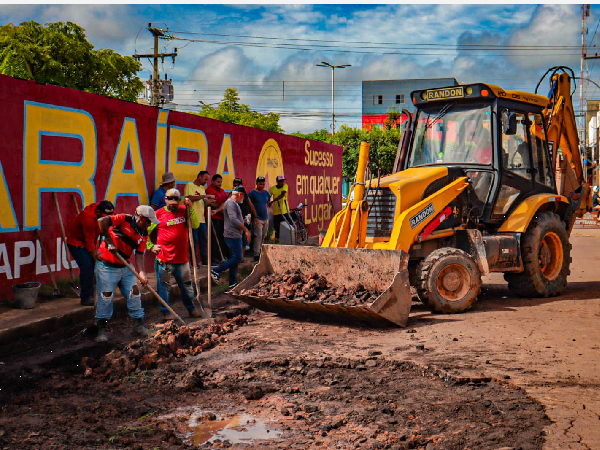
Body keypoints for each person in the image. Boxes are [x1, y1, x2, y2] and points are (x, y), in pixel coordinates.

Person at [94, 205, 158, 342]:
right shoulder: (123, 219)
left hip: (125, 266)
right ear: (140, 218)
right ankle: (101, 329)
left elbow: (140, 255)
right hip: (106, 266)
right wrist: (109, 241)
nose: (149, 225)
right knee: (106, 296)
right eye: (148, 221)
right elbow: (101, 222)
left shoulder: (143, 234)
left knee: (134, 292)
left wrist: (142, 273)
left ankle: (138, 325)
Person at [146, 188, 203, 320]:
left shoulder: (185, 211)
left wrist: (190, 208)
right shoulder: (158, 214)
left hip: (182, 259)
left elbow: (195, 225)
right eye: (170, 201)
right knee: (164, 287)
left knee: (187, 286)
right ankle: (166, 312)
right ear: (165, 199)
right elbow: (144, 232)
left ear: (179, 200)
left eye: (175, 202)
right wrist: (150, 246)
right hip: (164, 259)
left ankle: (191, 309)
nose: (173, 204)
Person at [66, 200, 115, 306]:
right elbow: (89, 242)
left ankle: (92, 292)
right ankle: (86, 297)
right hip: (77, 243)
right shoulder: (88, 219)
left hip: (89, 240)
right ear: (98, 212)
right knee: (88, 267)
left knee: (93, 266)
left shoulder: (102, 209)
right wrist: (94, 255)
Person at [211, 185, 251, 289]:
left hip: (235, 234)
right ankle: (216, 271)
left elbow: (235, 219)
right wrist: (245, 229)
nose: (244, 198)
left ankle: (232, 283)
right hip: (232, 235)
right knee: (237, 258)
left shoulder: (232, 203)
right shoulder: (231, 203)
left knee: (234, 259)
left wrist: (243, 222)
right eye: (243, 196)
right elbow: (233, 219)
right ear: (239, 194)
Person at [184, 170, 215, 266]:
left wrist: (210, 201)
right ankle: (194, 262)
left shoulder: (202, 188)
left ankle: (205, 261)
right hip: (193, 218)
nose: (206, 182)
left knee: (204, 240)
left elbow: (203, 201)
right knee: (193, 241)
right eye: (205, 179)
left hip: (202, 218)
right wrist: (205, 196)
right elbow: (189, 198)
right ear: (199, 177)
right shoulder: (190, 185)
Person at [205, 174, 229, 263]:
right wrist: (220, 208)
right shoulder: (209, 190)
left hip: (222, 218)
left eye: (221, 182)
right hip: (213, 217)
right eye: (218, 182)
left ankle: (221, 256)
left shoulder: (222, 191)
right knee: (214, 239)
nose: (220, 183)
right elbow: (212, 204)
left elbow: (226, 202)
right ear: (212, 181)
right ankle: (214, 257)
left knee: (221, 238)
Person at [248, 176, 270, 261]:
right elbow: (249, 204)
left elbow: (267, 203)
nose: (262, 185)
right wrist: (254, 216)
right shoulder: (252, 193)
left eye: (263, 184)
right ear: (256, 183)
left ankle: (261, 251)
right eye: (260, 184)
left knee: (263, 236)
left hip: (265, 218)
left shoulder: (266, 193)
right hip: (257, 218)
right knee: (258, 236)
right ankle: (256, 254)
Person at [232, 177, 257, 253]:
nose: (237, 187)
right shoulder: (232, 196)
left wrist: (255, 217)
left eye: (239, 185)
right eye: (235, 185)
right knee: (237, 239)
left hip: (246, 219)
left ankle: (241, 257)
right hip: (237, 220)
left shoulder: (245, 195)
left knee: (245, 240)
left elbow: (251, 206)